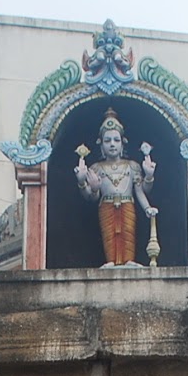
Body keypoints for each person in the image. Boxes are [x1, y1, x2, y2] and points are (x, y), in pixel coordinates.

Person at [74, 109, 157, 267]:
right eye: (107, 141)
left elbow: (141, 190)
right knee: (110, 235)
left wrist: (149, 177)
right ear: (101, 144)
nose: (112, 144)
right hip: (106, 205)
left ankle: (128, 260)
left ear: (122, 142)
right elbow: (91, 197)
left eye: (116, 140)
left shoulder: (132, 166)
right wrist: (83, 183)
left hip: (127, 204)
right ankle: (111, 261)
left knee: (127, 233)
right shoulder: (96, 168)